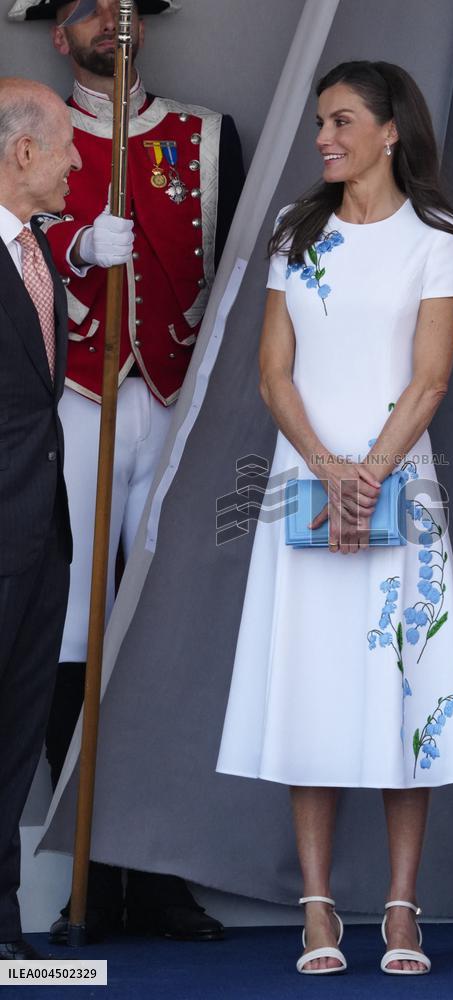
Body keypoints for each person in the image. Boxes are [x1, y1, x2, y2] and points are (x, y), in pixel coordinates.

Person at [216, 59, 453, 977]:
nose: (322, 138)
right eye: (319, 123)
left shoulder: (437, 238)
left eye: (340, 122)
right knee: (315, 690)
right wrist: (331, 470)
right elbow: (272, 373)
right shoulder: (296, 234)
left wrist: (368, 476)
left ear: (390, 132)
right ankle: (317, 909)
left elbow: (431, 378)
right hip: (306, 483)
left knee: (403, 693)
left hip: (397, 488)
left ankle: (403, 910)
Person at [9, 0, 244, 944]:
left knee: (166, 627)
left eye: (124, 7)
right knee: (67, 632)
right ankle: (89, 868)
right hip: (71, 403)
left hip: (175, 402)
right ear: (58, 36)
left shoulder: (204, 137)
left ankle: (157, 869)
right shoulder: (36, 133)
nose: (113, 20)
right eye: (86, 12)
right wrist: (71, 247)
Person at [0, 77, 79, 960]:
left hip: (37, 539)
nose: (75, 164)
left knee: (14, 748)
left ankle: (5, 936)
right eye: (64, 146)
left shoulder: (36, 249)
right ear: (24, 153)